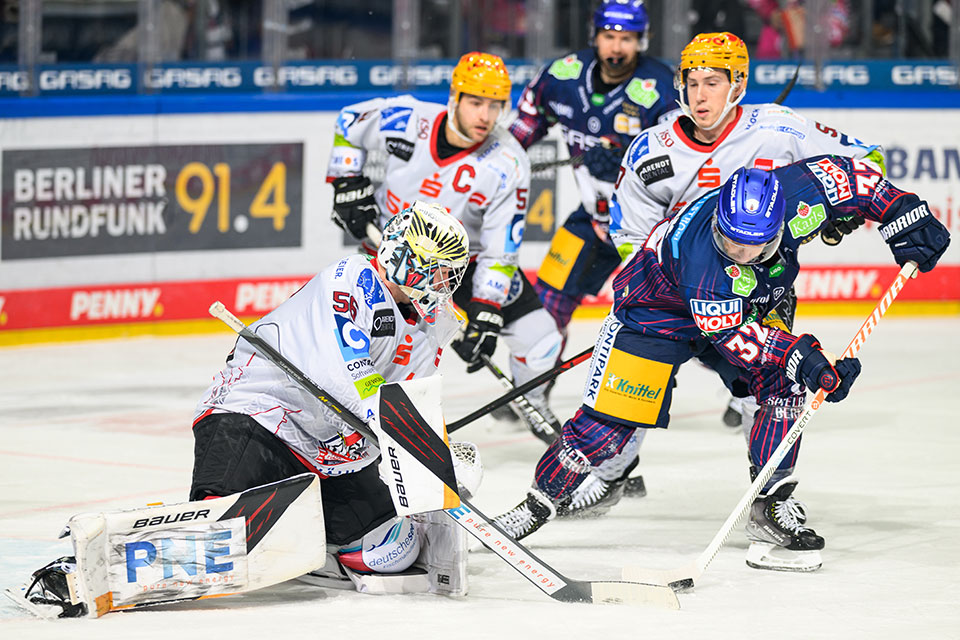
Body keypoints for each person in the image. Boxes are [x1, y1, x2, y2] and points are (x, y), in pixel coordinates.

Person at [13, 203, 478, 615]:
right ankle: (86, 567)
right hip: (256, 411)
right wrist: (398, 430)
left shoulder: (430, 323)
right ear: (405, 260)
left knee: (390, 552)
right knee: (216, 527)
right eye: (437, 270)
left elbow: (405, 396)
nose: (444, 283)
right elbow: (351, 375)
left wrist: (429, 452)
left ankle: (305, 540)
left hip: (325, 445)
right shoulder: (354, 278)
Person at [494, 158, 950, 572]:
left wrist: (903, 214)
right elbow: (739, 340)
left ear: (777, 226)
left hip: (748, 306)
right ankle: (537, 504)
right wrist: (808, 360)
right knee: (607, 427)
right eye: (729, 239)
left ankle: (769, 503)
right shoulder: (707, 266)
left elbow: (855, 177)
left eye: (753, 245)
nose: (739, 252)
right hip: (657, 316)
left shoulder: (800, 192)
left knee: (783, 391)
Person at [560, 30, 887, 512]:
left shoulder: (779, 129)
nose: (699, 94)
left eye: (712, 82)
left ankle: (770, 500)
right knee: (626, 400)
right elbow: (629, 239)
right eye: (691, 82)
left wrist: (842, 217)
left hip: (754, 298)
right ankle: (611, 476)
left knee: (775, 392)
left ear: (738, 83)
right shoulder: (653, 150)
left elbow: (866, 164)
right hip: (670, 299)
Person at [326, 52, 563, 443]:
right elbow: (349, 123)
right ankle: (357, 429)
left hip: (459, 265)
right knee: (389, 353)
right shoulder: (410, 119)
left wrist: (485, 310)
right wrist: (345, 180)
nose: (485, 116)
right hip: (392, 258)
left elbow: (501, 249)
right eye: (475, 102)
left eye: (495, 105)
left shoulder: (508, 162)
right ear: (454, 98)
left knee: (541, 341)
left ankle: (531, 402)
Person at [510, 0, 677, 357]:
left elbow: (682, 161)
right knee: (546, 307)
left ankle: (746, 390)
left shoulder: (662, 87)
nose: (617, 47)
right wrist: (501, 162)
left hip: (653, 229)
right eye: (609, 36)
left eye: (627, 38)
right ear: (595, 35)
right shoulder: (564, 75)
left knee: (679, 321)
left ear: (642, 40)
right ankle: (535, 389)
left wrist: (627, 161)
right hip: (593, 219)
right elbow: (524, 126)